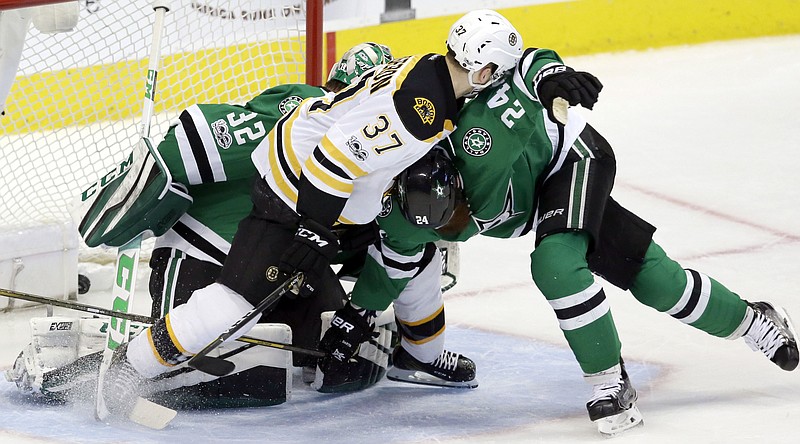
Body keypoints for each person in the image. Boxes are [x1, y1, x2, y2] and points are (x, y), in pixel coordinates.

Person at [318, 44, 800, 436]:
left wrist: (552, 79)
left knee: (554, 263)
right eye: (438, 225)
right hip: (538, 197)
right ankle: (752, 320)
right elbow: (393, 262)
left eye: (453, 211)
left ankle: (608, 381)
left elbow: (524, 64)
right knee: (657, 281)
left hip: (572, 160)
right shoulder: (404, 207)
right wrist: (357, 313)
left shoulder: (477, 137)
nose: (451, 227)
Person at [92, 9, 523, 418]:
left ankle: (422, 354)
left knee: (415, 257)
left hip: (314, 198)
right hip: (293, 198)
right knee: (233, 306)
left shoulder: (431, 70)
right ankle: (128, 369)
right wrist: (311, 230)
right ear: (483, 72)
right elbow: (333, 160)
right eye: (496, 76)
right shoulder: (417, 111)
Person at [8, 42, 402, 408]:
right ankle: (67, 367)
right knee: (199, 362)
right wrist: (139, 187)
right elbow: (196, 135)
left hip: (283, 271)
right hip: (204, 253)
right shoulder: (303, 108)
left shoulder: (376, 148)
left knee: (340, 360)